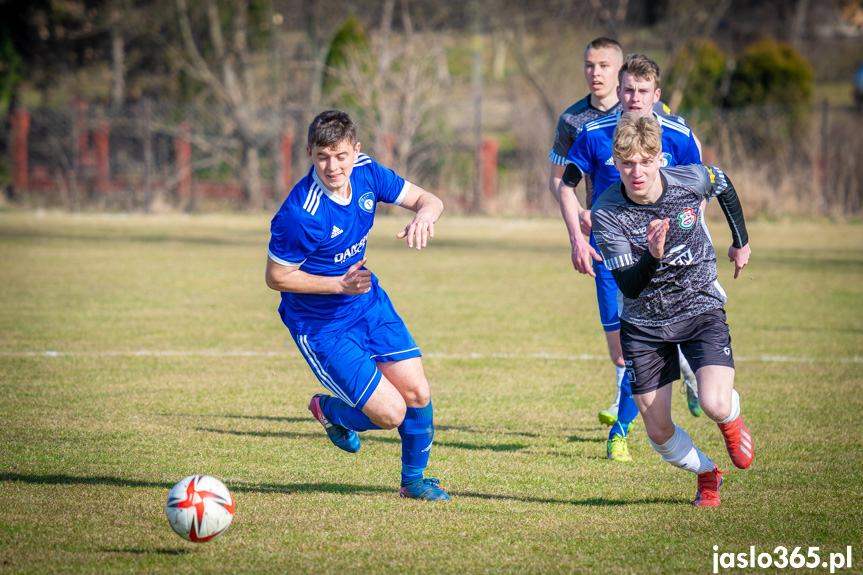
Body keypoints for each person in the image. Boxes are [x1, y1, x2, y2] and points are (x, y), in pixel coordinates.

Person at [265, 109, 449, 501]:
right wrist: (338, 284)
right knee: (390, 414)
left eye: (341, 155)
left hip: (366, 304)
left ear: (356, 150)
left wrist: (424, 217)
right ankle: (330, 410)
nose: (333, 167)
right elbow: (277, 277)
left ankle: (413, 482)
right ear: (310, 153)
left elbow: (427, 199)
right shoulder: (301, 214)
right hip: (320, 327)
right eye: (323, 157)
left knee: (417, 391)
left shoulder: (366, 172)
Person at [591, 113, 753, 506]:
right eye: (627, 163)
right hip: (644, 326)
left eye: (646, 161)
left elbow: (723, 183)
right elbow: (629, 285)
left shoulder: (688, 179)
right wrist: (652, 254)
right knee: (658, 431)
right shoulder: (606, 212)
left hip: (699, 307)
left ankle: (730, 418)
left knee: (714, 404)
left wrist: (740, 241)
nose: (637, 171)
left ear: (659, 158)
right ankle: (706, 473)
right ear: (615, 163)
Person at [548, 39, 702, 430]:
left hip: (667, 253)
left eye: (643, 91)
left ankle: (624, 427)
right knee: (620, 349)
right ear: (620, 91)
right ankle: (673, 375)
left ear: (657, 95)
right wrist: (578, 234)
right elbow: (564, 184)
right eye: (629, 90)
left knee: (656, 330)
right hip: (612, 251)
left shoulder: (678, 135)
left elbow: (700, 188)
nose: (634, 98)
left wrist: (687, 234)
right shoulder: (591, 132)